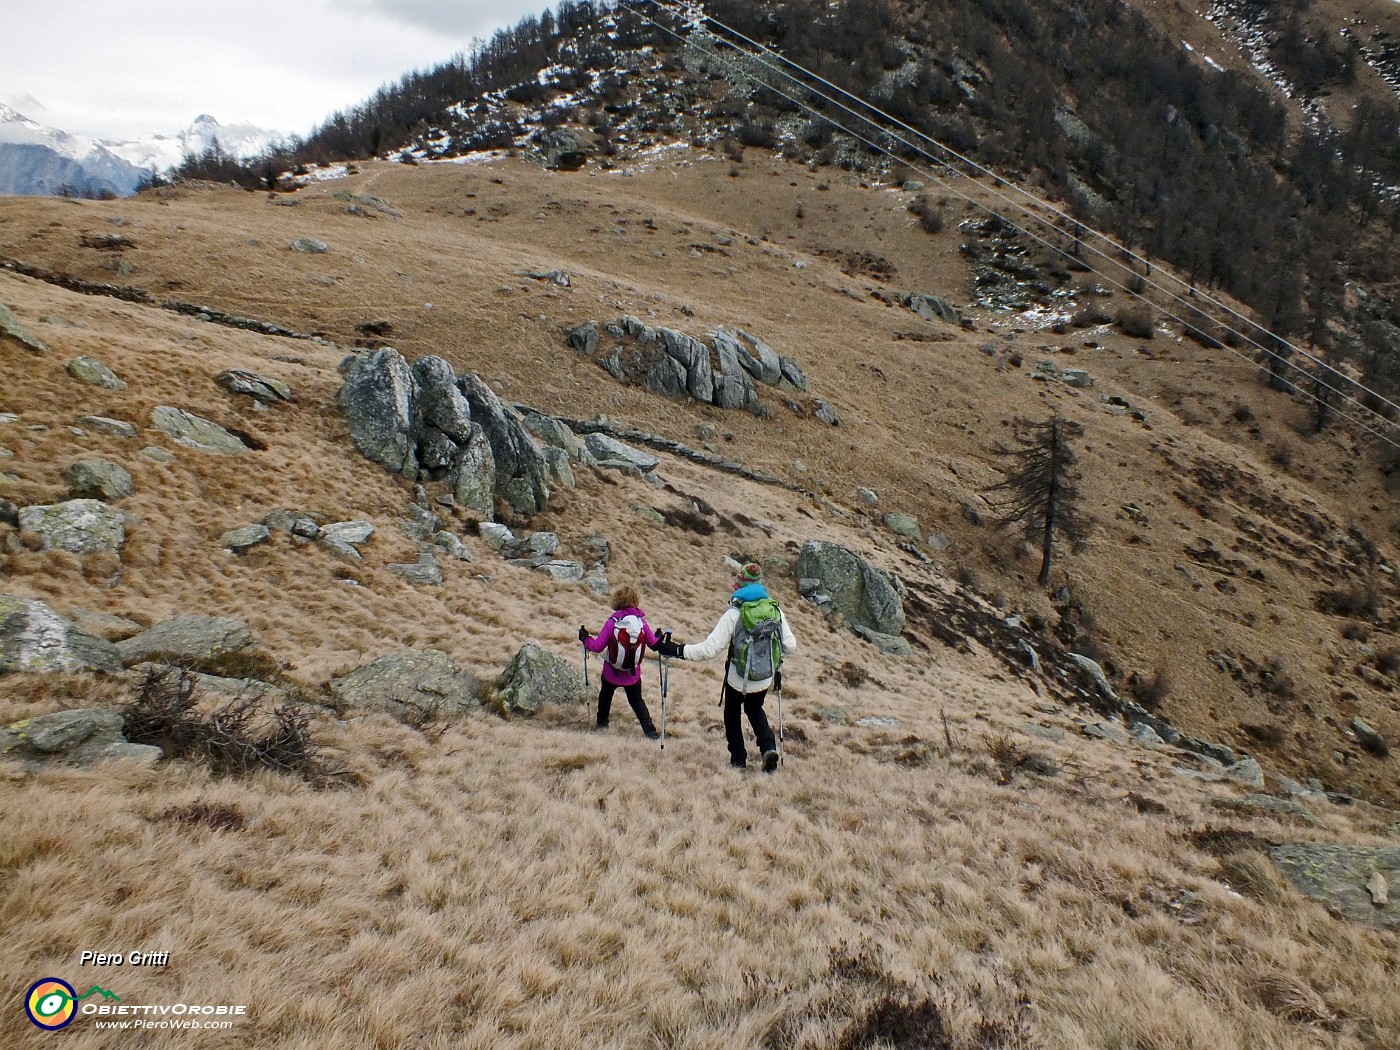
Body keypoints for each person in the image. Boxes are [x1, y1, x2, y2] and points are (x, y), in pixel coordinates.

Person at [654, 563, 796, 772]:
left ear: (741, 585)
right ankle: (768, 748)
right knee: (755, 709)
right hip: (764, 677)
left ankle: (738, 760)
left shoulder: (734, 613)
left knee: (732, 713)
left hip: (738, 679)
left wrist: (676, 650)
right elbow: (790, 646)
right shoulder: (775, 610)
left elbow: (709, 649)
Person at [579, 585, 662, 738]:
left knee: (605, 697)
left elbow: (597, 647)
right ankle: (650, 731)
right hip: (633, 674)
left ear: (617, 601)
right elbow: (654, 644)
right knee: (637, 701)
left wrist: (585, 638)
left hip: (611, 671)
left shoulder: (613, 622)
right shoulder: (641, 622)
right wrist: (658, 636)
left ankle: (602, 725)